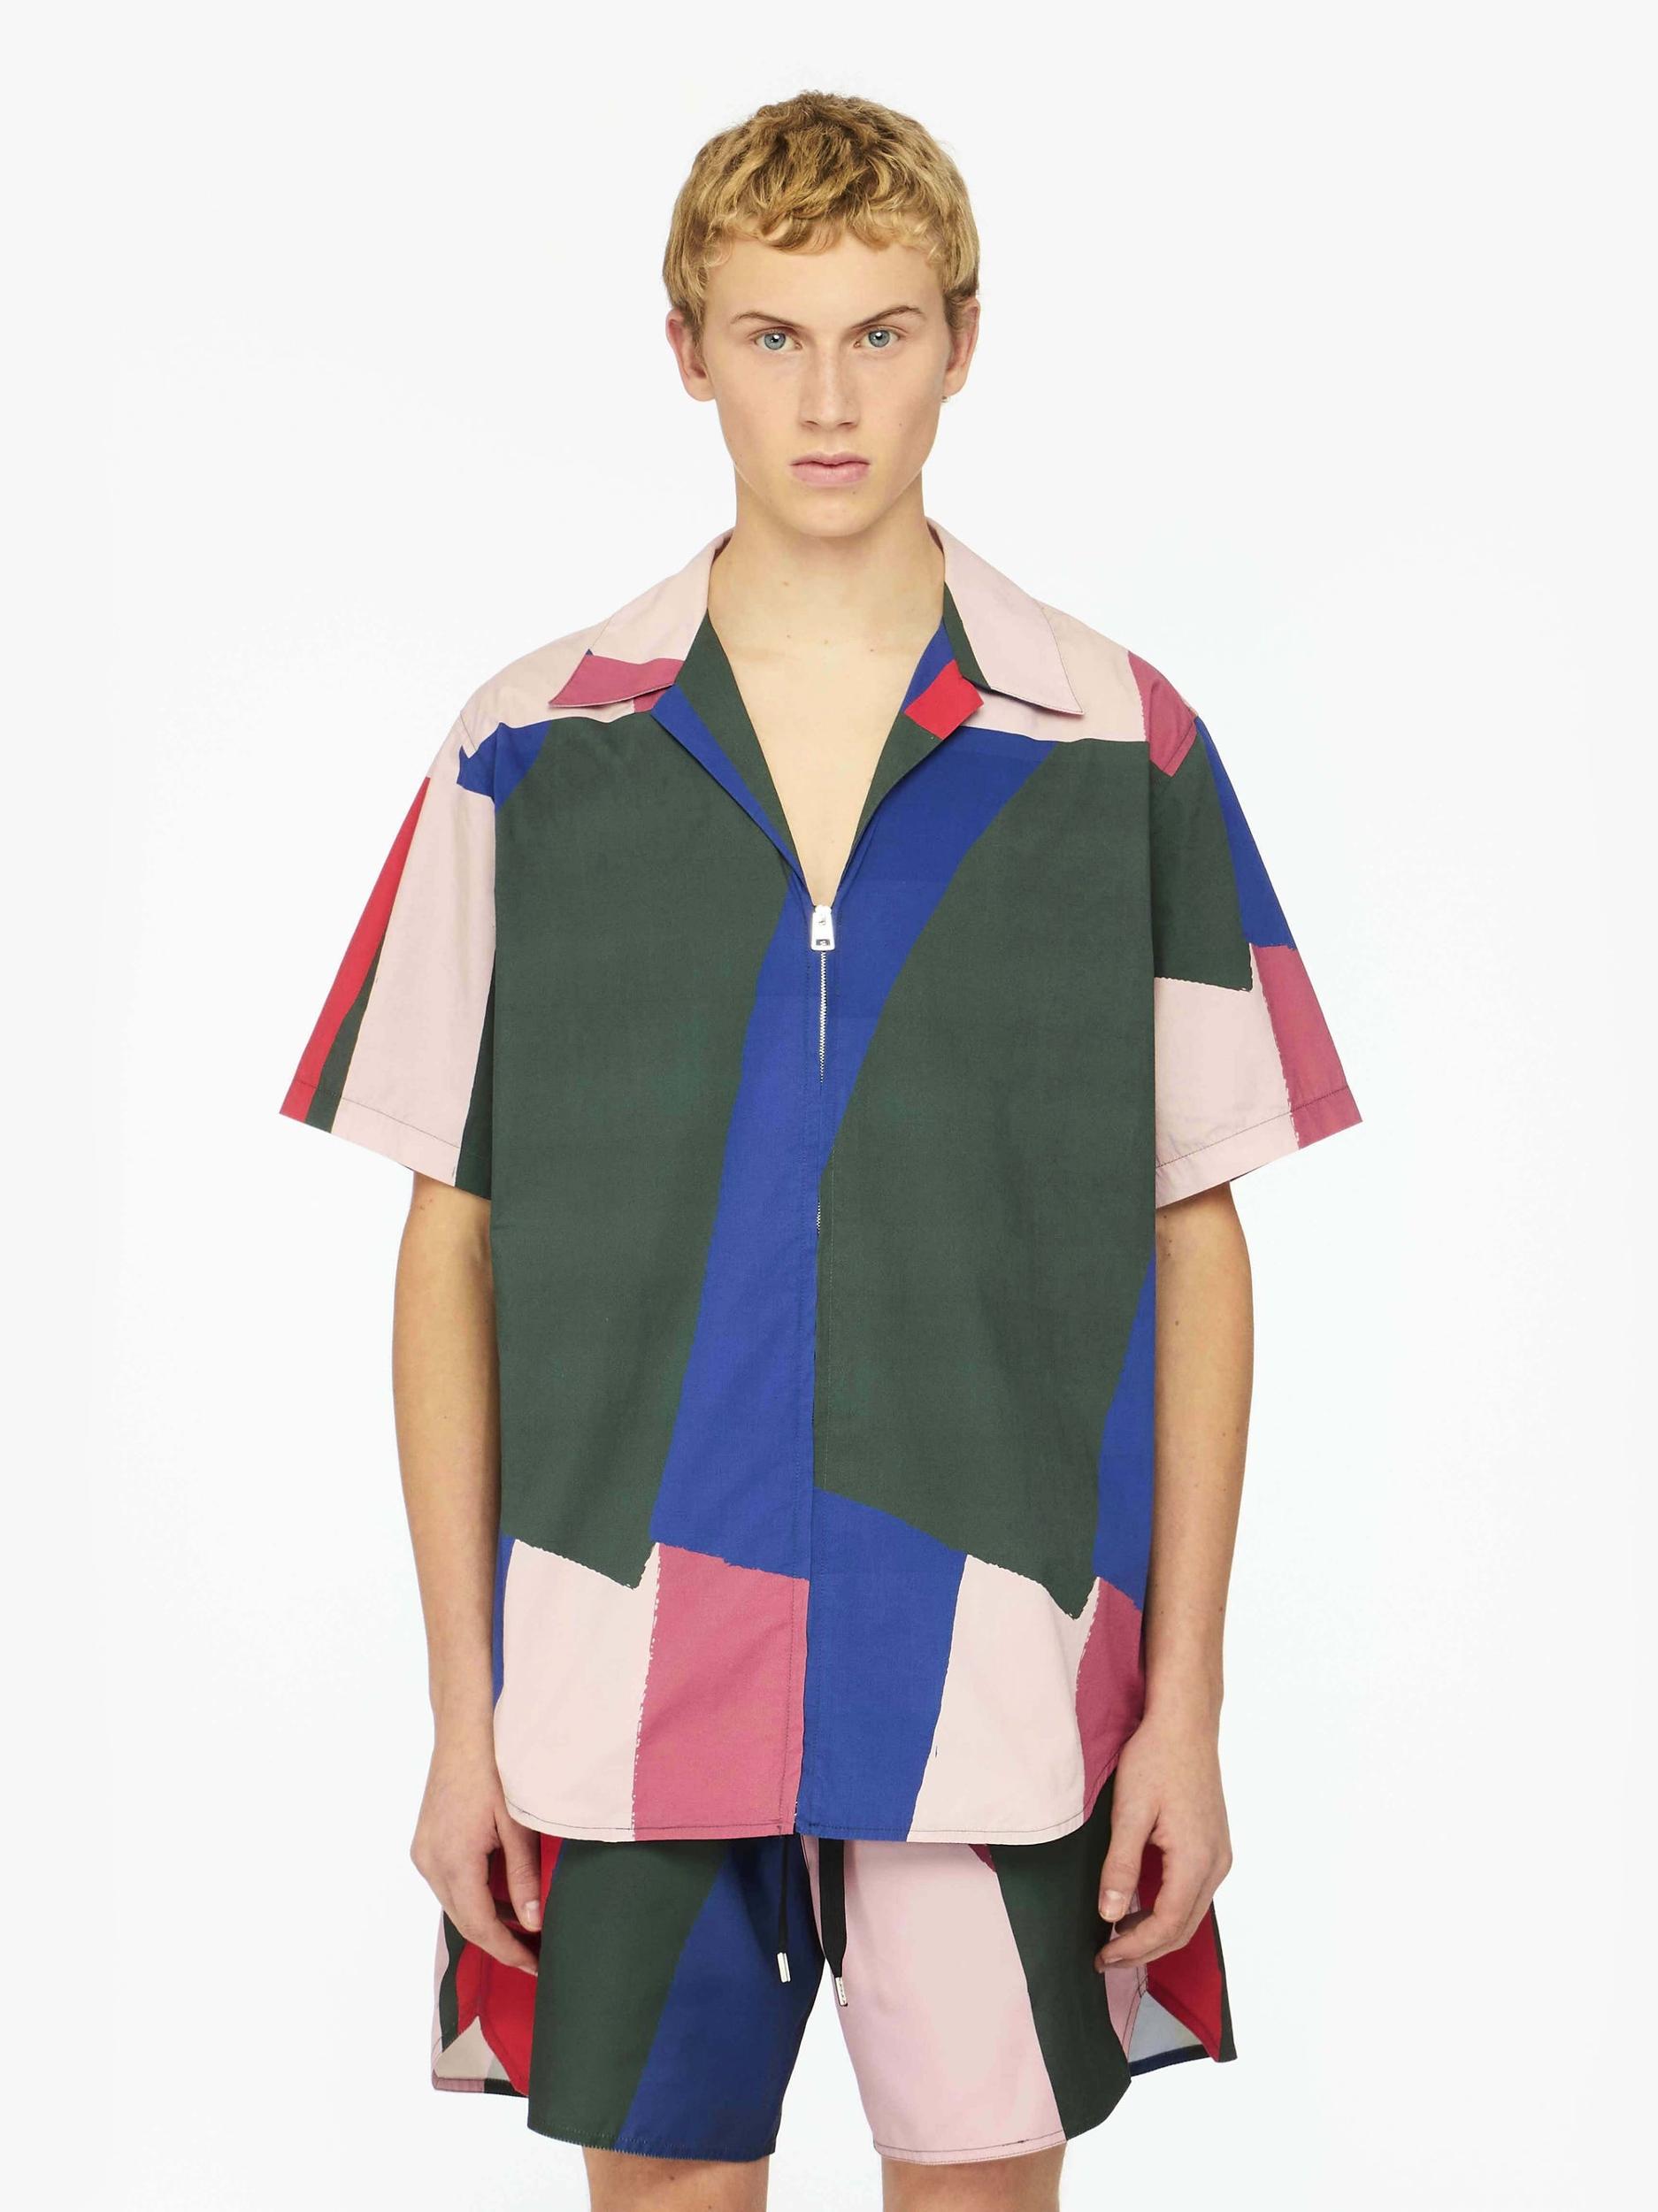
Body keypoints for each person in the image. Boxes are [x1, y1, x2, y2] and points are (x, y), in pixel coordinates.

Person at [279, 87, 1361, 2212]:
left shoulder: (1117, 743)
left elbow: (1198, 1235)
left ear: (964, 340)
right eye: (774, 335)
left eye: (881, 332)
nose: (831, 396)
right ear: (687, 348)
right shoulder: (533, 747)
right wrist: (461, 1715)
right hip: (620, 1672)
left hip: (1006, 1677)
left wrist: (1189, 1707)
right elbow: (449, 1239)